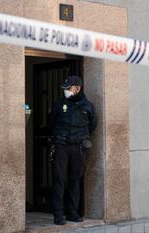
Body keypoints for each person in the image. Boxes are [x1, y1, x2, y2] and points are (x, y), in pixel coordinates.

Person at [50, 75, 97, 225]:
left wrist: (80, 138)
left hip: (78, 147)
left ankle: (73, 213)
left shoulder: (88, 106)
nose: (65, 91)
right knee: (59, 179)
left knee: (75, 180)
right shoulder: (58, 104)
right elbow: (52, 123)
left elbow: (92, 125)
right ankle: (58, 215)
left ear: (77, 88)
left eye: (68, 88)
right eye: (64, 88)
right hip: (61, 146)